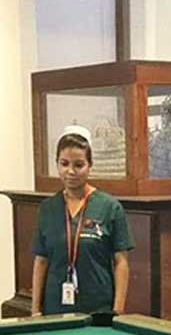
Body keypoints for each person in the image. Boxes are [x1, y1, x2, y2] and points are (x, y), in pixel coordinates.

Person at [30, 126, 133, 316]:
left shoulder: (109, 207)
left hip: (98, 310)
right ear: (57, 164)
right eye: (64, 164)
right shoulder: (47, 208)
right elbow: (41, 261)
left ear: (89, 165)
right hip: (55, 310)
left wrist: (118, 310)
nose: (70, 171)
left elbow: (121, 261)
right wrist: (35, 309)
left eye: (78, 165)